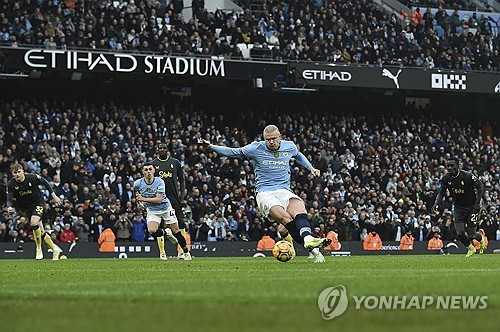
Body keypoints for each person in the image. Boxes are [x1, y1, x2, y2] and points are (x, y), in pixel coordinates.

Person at [199, 124, 331, 263]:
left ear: (279, 136)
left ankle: (309, 239)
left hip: (284, 190)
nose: (271, 142)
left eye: (274, 138)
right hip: (265, 192)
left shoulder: (289, 146)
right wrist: (211, 147)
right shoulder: (256, 148)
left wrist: (311, 168)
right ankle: (313, 249)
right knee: (286, 220)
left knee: (299, 206)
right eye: (268, 139)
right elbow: (233, 152)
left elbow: (298, 156)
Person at [133, 162, 191, 261]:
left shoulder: (159, 182)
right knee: (152, 230)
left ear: (154, 170)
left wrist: (143, 199)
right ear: (142, 172)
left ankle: (186, 252)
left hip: (165, 208)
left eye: (150, 169)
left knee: (176, 231)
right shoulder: (138, 183)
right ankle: (165, 232)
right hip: (152, 210)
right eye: (146, 170)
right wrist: (138, 202)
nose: (148, 172)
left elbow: (159, 199)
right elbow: (135, 192)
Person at [6, 163, 62, 260]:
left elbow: (45, 182)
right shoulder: (11, 184)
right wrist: (9, 207)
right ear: (12, 174)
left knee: (33, 222)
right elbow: (9, 198)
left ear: (23, 171)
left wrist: (54, 196)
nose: (17, 174)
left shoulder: (32, 177)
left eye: (19, 172)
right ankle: (55, 249)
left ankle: (38, 248)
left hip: (38, 203)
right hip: (26, 208)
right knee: (41, 230)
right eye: (15, 173)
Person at [432, 157, 485, 257]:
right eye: (448, 166)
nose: (450, 168)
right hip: (458, 207)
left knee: (472, 234)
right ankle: (471, 248)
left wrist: (477, 203)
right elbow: (441, 193)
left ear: (458, 166)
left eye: (452, 165)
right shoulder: (446, 178)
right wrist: (436, 203)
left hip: (472, 207)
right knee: (460, 233)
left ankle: (480, 239)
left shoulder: (467, 176)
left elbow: (480, 186)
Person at [152, 142, 189, 259]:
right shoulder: (153, 164)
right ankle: (162, 252)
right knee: (161, 225)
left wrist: (182, 197)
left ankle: (181, 252)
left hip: (174, 198)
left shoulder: (175, 162)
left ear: (167, 150)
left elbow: (182, 180)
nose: (162, 150)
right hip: (159, 199)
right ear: (157, 150)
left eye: (164, 148)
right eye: (160, 148)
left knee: (181, 223)